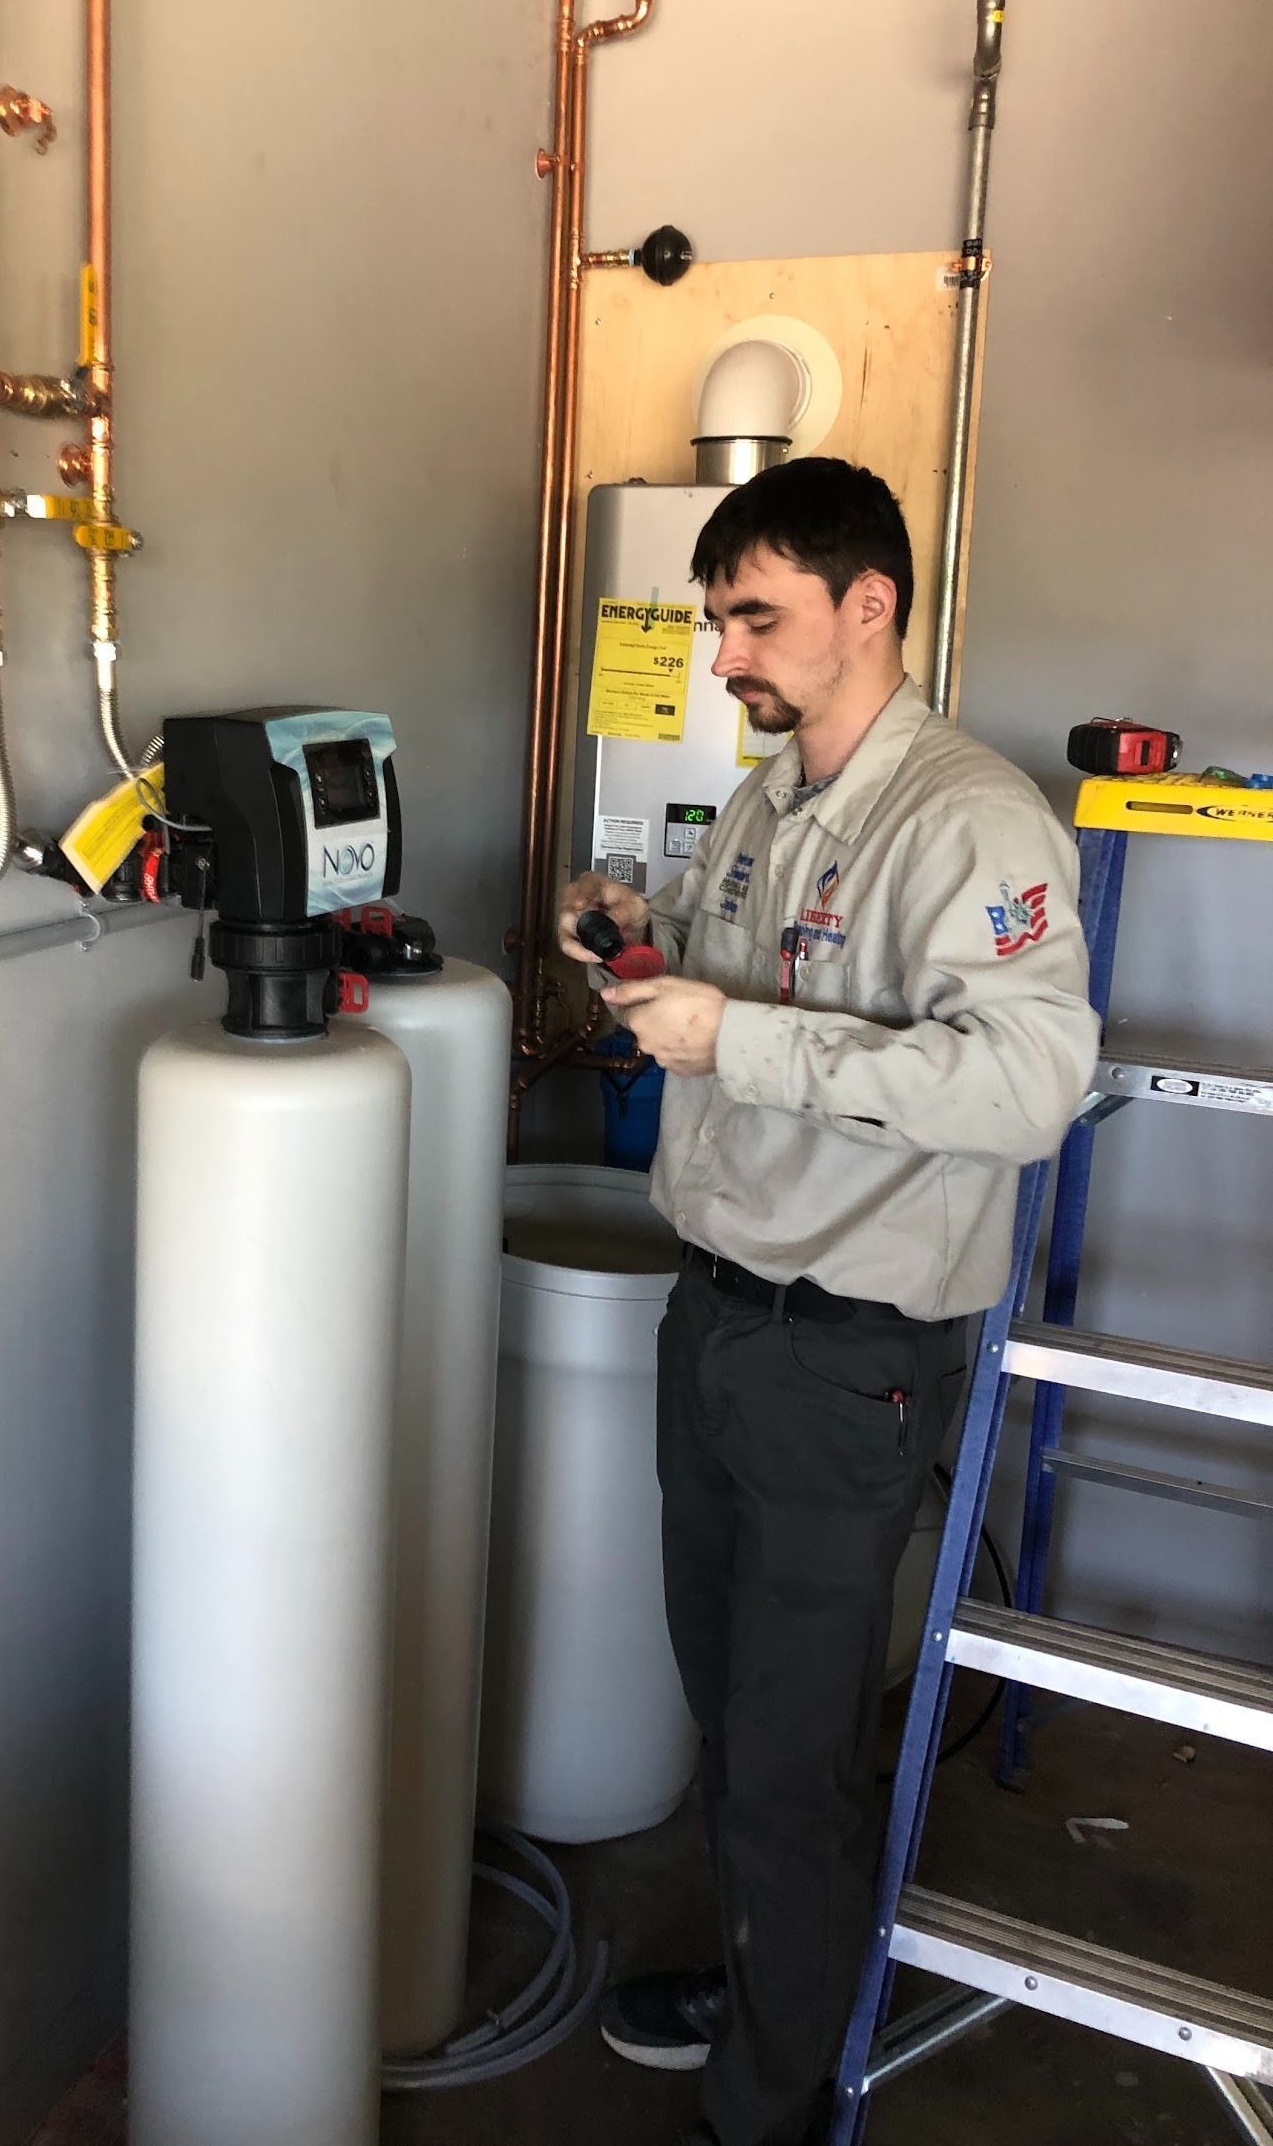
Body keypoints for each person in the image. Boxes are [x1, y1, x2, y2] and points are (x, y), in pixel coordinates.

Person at [557, 458, 1098, 2146]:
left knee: (791, 1750)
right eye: (720, 617)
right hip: (715, 1313)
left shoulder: (970, 820)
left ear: (870, 606)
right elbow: (735, 994)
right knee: (728, 1712)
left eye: (756, 618)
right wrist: (638, 944)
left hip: (843, 1351)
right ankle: (767, 1976)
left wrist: (737, 1039)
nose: (724, 655)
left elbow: (1026, 1087)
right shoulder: (767, 799)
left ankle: (772, 2104)